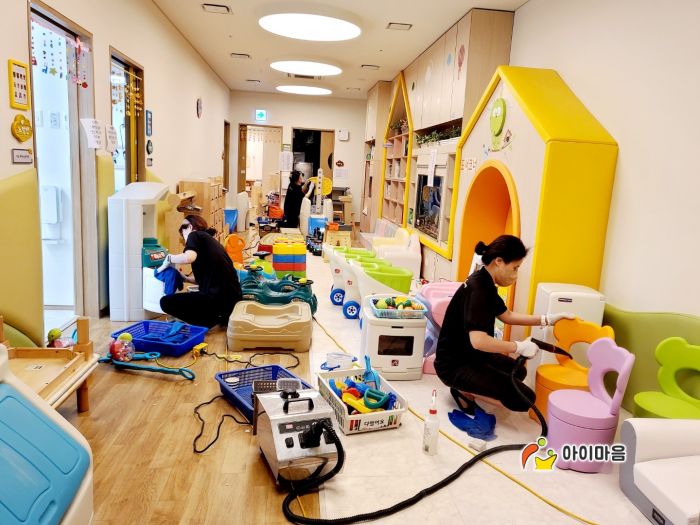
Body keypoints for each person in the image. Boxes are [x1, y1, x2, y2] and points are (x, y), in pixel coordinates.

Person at [434, 235, 574, 415]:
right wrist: (518, 346)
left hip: (472, 356)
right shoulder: (478, 290)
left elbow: (507, 316)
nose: (515, 275)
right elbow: (479, 341)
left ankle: (471, 387)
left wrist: (547, 319)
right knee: (524, 399)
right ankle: (462, 390)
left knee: (519, 372)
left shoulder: (485, 281)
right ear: (498, 261)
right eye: (515, 268)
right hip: (454, 366)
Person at [159, 215, 242, 328]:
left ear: (190, 227)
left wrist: (169, 258)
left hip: (215, 300)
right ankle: (216, 318)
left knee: (165, 302)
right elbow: (209, 280)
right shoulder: (211, 242)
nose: (184, 238)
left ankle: (207, 320)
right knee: (195, 298)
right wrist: (186, 278)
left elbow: (189, 257)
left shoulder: (194, 235)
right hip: (232, 302)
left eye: (182, 231)